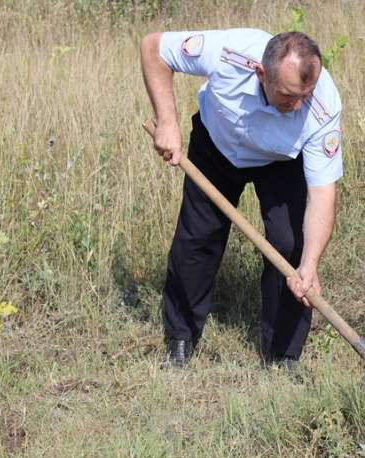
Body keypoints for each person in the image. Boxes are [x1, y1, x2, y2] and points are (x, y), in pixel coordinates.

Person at [140, 28, 343, 370]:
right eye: (288, 96)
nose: (298, 105)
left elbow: (322, 193)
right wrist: (167, 121)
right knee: (198, 238)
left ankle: (283, 355)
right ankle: (181, 338)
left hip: (280, 161)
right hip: (217, 145)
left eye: (304, 96)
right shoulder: (229, 52)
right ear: (261, 73)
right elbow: (154, 47)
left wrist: (310, 264)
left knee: (290, 245)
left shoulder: (322, 107)